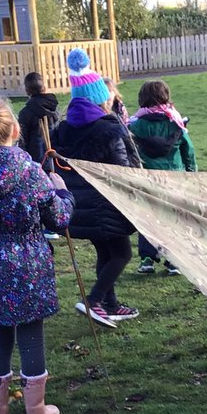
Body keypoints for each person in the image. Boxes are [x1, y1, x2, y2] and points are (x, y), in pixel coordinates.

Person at [0, 97, 74, 414]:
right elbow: (59, 218)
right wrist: (63, 193)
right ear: (15, 130)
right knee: (31, 336)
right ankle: (35, 411)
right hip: (26, 265)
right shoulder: (30, 171)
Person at [50, 48, 139, 328]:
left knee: (105, 253)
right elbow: (122, 170)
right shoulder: (108, 130)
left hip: (80, 206)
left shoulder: (62, 129)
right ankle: (94, 301)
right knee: (122, 254)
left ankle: (110, 304)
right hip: (107, 205)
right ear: (100, 99)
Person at [128, 80, 196, 276]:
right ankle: (174, 260)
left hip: (147, 179)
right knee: (174, 219)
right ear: (166, 96)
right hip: (175, 178)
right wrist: (191, 173)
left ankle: (147, 259)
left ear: (142, 98)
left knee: (148, 217)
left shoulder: (135, 126)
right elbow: (188, 150)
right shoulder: (175, 123)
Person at [16, 72, 59, 165]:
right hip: (55, 156)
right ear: (44, 87)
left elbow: (22, 140)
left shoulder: (25, 113)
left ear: (27, 91)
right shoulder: (54, 107)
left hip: (36, 160)